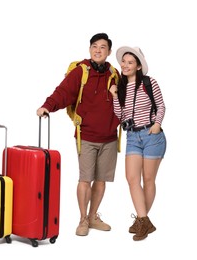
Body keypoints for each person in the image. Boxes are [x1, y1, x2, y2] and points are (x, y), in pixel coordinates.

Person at [36, 33, 120, 236]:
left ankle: (93, 217)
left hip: (110, 137)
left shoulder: (115, 74)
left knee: (101, 181)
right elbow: (63, 92)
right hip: (87, 136)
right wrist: (47, 106)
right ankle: (82, 219)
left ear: (109, 52)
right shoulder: (80, 71)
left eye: (102, 47)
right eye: (94, 47)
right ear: (90, 49)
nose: (98, 50)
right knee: (85, 179)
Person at [109, 46, 166, 241]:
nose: (125, 65)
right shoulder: (121, 86)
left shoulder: (149, 83)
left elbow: (161, 106)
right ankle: (144, 220)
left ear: (138, 66)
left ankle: (142, 221)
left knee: (148, 179)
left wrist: (157, 124)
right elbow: (120, 115)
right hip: (132, 136)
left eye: (130, 62)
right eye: (123, 62)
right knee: (132, 178)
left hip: (151, 135)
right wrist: (115, 96)